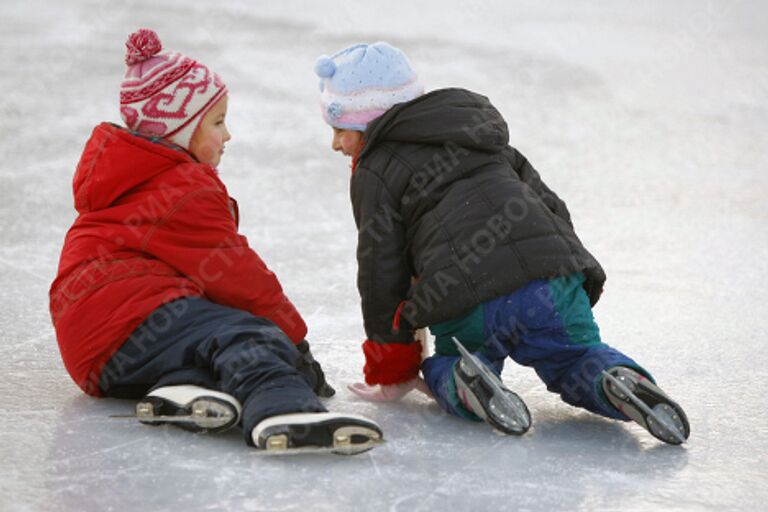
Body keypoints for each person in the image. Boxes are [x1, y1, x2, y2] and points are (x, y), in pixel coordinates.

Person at [313, 42, 690, 444]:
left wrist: (394, 368)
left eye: (341, 130)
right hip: (551, 282)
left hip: (466, 299)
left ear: (372, 125)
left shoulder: (376, 171)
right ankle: (617, 379)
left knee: (452, 361)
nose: (335, 144)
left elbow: (380, 270)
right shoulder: (481, 137)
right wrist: (575, 278)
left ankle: (466, 381)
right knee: (576, 360)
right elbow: (551, 208)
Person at [48, 29, 382, 454]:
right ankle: (284, 409)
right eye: (218, 122)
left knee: (203, 342)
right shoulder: (183, 186)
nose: (228, 136)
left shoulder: (130, 177)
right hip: (129, 317)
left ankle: (181, 392)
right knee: (246, 335)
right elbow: (238, 274)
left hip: (94, 347)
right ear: (178, 131)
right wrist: (295, 344)